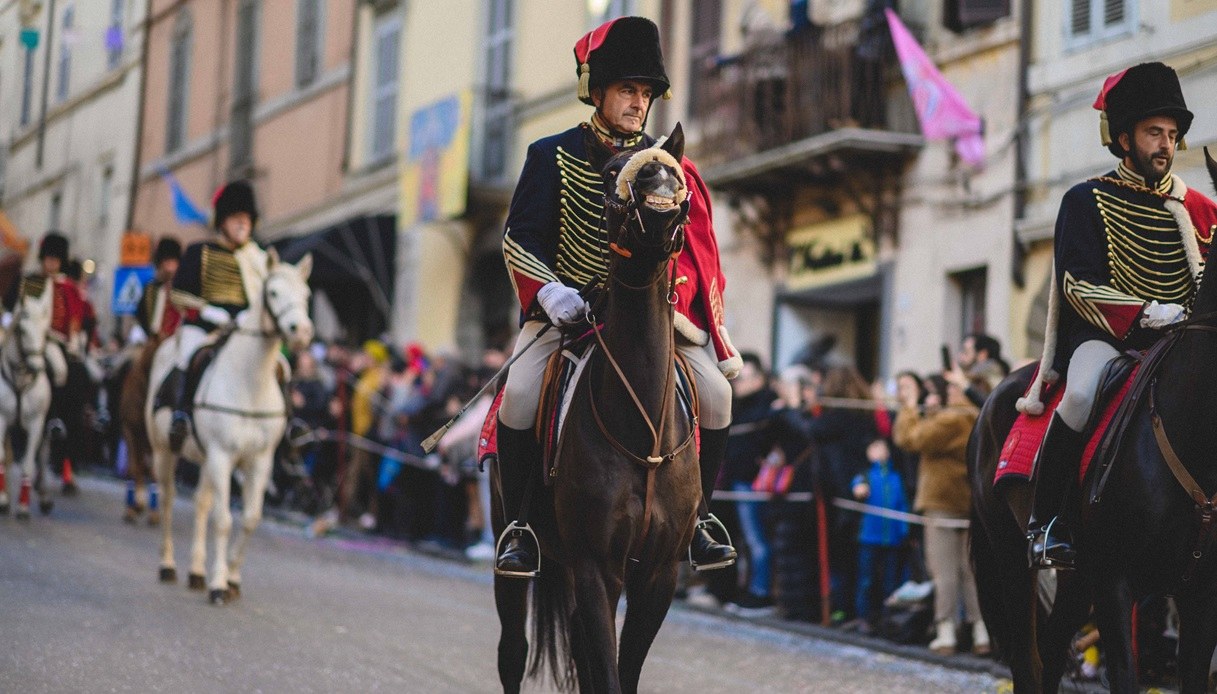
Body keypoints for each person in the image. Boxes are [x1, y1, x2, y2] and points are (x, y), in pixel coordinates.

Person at [494, 16, 742, 576]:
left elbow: (695, 252)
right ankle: (522, 525)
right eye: (628, 90)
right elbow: (518, 239)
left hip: (650, 319)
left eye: (646, 92)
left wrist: (673, 310)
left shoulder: (666, 163)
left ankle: (700, 517)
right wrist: (550, 293)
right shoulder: (549, 154)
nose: (637, 103)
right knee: (520, 395)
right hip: (565, 315)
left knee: (719, 398)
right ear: (599, 92)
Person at [1020, 62, 1217, 569]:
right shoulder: (1085, 199)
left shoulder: (1200, 208)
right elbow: (1077, 285)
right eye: (1155, 132)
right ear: (1124, 138)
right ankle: (1047, 525)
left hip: (1184, 341)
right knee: (1082, 394)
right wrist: (1148, 312)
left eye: (1172, 135)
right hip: (1107, 338)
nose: (1165, 145)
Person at [165, 180, 270, 453]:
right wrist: (206, 310)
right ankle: (182, 414)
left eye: (247, 220)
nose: (243, 226)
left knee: (276, 363)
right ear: (222, 221)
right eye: (237, 219)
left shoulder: (255, 258)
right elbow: (178, 294)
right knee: (188, 355)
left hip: (242, 328)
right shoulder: (199, 251)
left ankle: (285, 423)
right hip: (204, 325)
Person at [894, 374, 989, 656]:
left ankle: (946, 631)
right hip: (968, 501)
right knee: (970, 571)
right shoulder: (976, 417)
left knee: (943, 570)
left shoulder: (953, 419)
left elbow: (910, 438)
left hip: (942, 501)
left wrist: (910, 406)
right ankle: (980, 630)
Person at [722, 352, 778, 615]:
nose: (739, 384)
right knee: (745, 539)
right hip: (739, 480)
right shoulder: (740, 406)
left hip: (752, 482)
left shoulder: (765, 408)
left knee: (757, 539)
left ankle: (760, 592)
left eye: (745, 378)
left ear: (760, 379)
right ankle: (750, 588)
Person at [848, 437, 909, 635]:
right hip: (870, 537)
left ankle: (888, 619)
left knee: (890, 582)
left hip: (891, 538)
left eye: (882, 448)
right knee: (867, 580)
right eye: (875, 448)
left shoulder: (896, 478)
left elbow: (902, 506)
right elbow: (857, 487)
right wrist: (859, 489)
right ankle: (864, 617)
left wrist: (904, 531)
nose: (880, 452)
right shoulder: (865, 475)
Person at [135, 238, 183, 341]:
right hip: (156, 339)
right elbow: (141, 313)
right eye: (167, 262)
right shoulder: (151, 288)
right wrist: (152, 334)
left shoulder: (183, 287)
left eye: (172, 262)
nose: (169, 267)